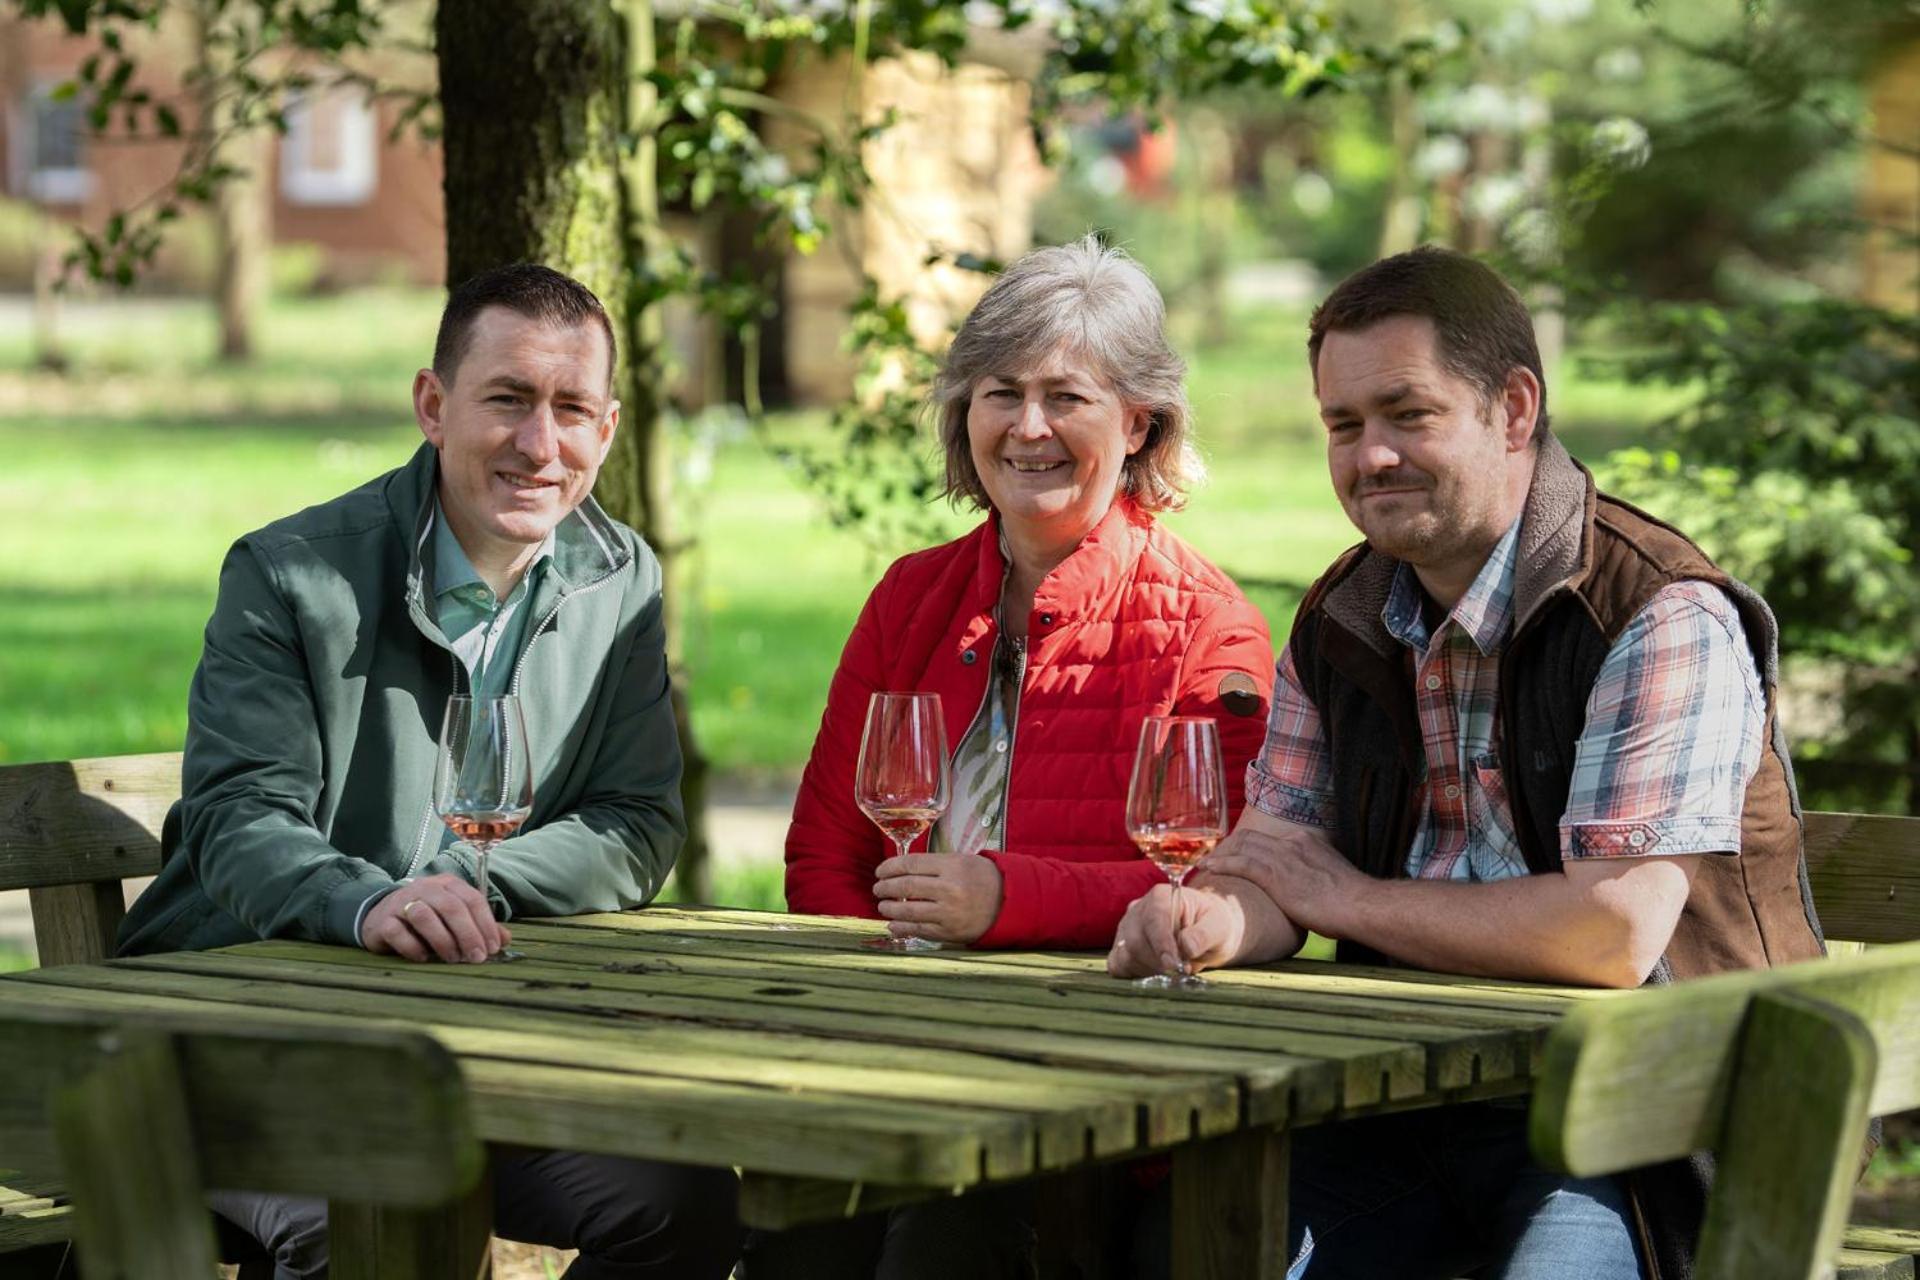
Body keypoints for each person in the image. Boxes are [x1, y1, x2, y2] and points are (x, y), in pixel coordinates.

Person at [1108, 245, 1827, 1280]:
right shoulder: (1344, 613)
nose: (1371, 456)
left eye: (1408, 413)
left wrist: (1346, 898)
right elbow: (1274, 859)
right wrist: (1211, 917)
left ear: (1515, 408)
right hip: (1389, 1101)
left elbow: (1610, 932)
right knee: (1189, 1250)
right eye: (1343, 425)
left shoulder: (1655, 610)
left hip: (1634, 1132)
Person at [117, 263, 741, 1279]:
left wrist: (467, 886)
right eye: (508, 400)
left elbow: (637, 821)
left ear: (610, 428)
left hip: (458, 1051)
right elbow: (239, 819)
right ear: (432, 405)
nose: (541, 444)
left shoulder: (619, 578)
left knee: (681, 1199)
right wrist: (371, 904)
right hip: (238, 1047)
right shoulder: (293, 575)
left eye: (572, 408)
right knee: (359, 1220)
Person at [757, 237, 1274, 1277]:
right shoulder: (910, 597)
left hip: (1099, 1081)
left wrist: (1004, 898)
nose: (1028, 427)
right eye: (1000, 393)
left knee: (945, 1239)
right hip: (893, 1055)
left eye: (1066, 396)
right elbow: (825, 856)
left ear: (1139, 421)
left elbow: (1217, 883)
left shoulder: (1207, 626)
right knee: (787, 1227)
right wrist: (886, 1021)